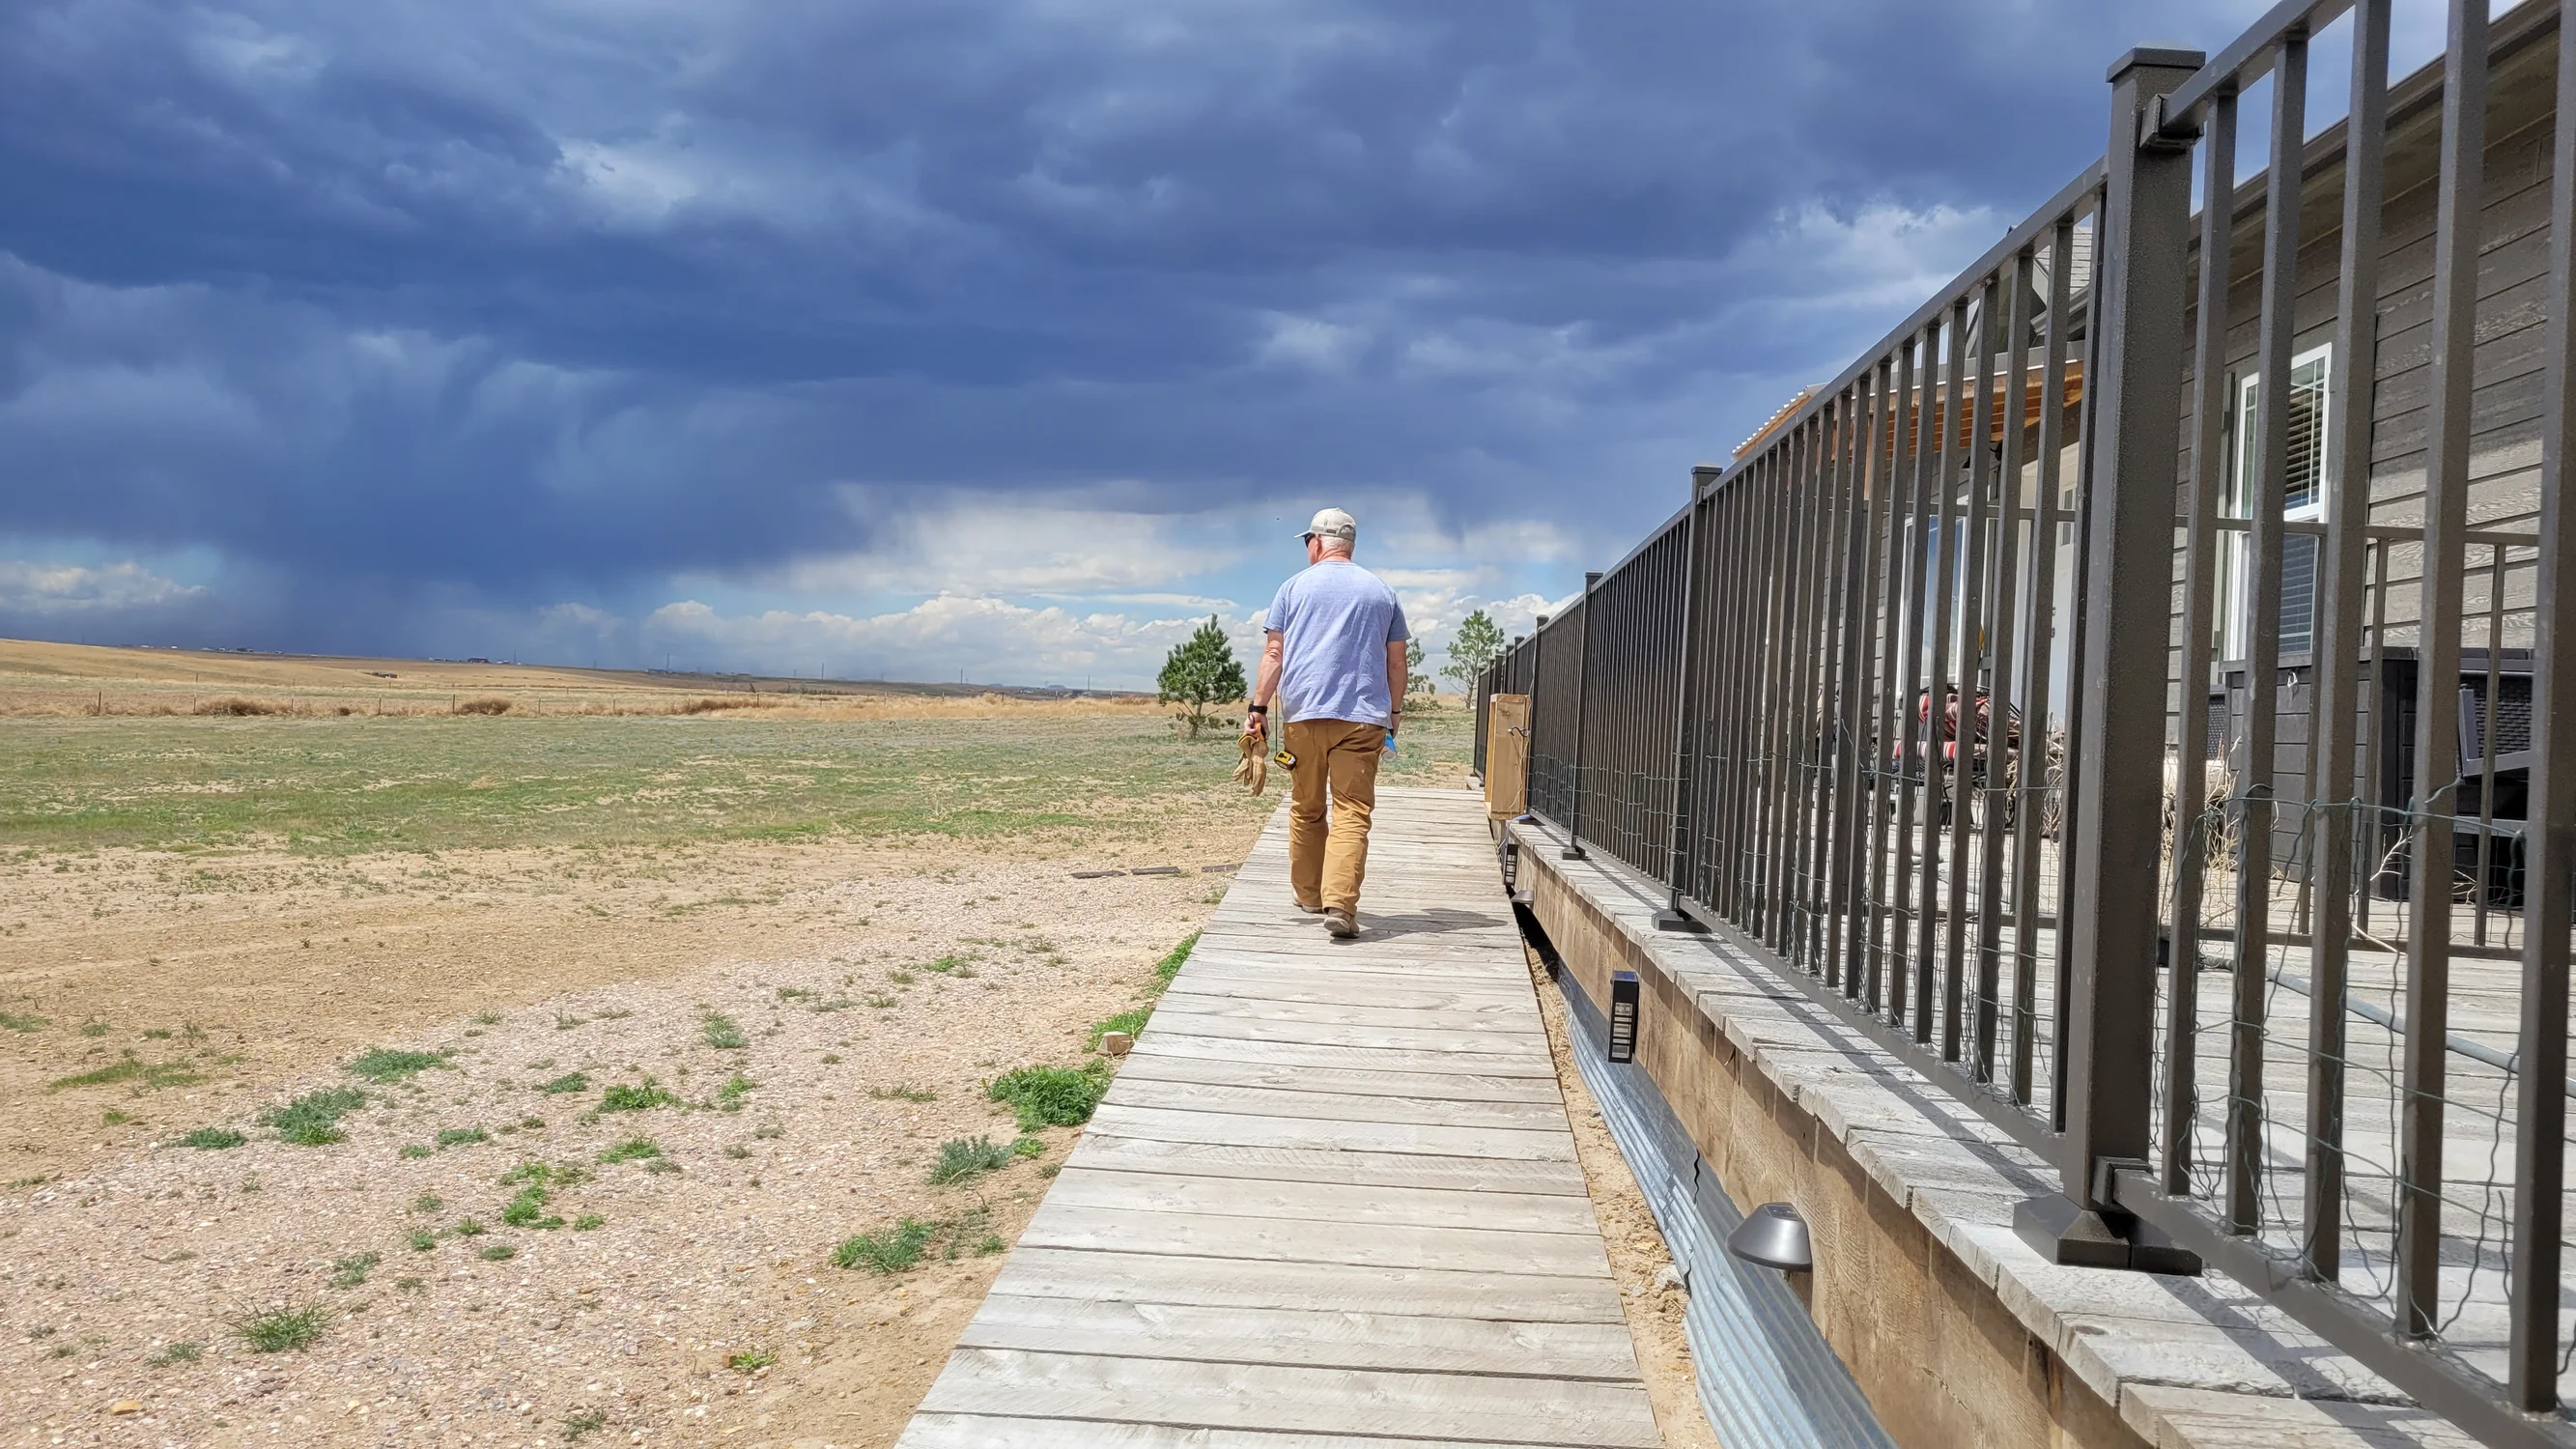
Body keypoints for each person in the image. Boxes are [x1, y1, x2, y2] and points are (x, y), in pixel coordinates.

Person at [1244, 507, 1409, 938]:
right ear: (1349, 545)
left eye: (1306, 542)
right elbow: (1396, 662)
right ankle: (1341, 905)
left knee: (1308, 806)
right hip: (1363, 720)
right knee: (1352, 811)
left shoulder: (1292, 588)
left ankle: (1310, 895)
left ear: (1317, 542)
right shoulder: (1382, 592)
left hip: (1304, 717)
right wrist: (1393, 715)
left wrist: (1258, 709)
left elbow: (1274, 654)